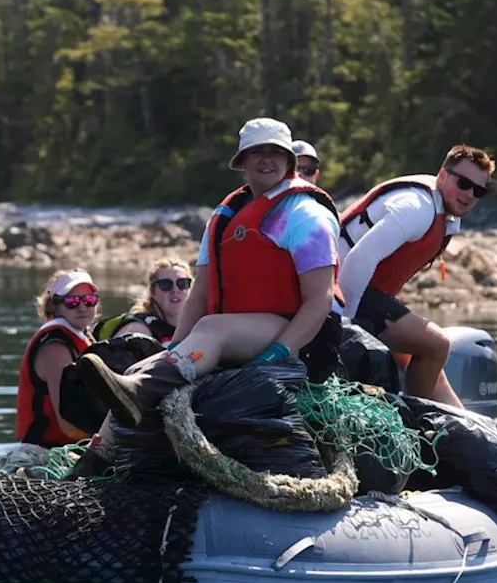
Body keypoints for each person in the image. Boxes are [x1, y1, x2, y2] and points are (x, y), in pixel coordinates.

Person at [77, 117, 342, 430]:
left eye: (276, 152)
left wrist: (279, 353)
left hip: (301, 340)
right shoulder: (225, 216)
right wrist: (172, 349)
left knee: (211, 328)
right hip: (239, 333)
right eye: (257, 152)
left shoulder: (306, 215)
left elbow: (319, 301)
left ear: (289, 161)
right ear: (242, 161)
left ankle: (141, 388)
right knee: (141, 371)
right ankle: (95, 458)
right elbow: (200, 293)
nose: (266, 159)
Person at [335, 144, 494, 407]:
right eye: (463, 183)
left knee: (433, 366)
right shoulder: (416, 209)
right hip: (343, 289)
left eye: (479, 190)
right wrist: (343, 324)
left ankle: (476, 433)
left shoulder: (446, 212)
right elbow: (359, 258)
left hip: (368, 293)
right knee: (437, 345)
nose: (469, 194)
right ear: (442, 176)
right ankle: (418, 426)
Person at [15, 269, 100, 447]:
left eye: (89, 300)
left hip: (77, 443)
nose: (83, 307)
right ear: (54, 306)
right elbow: (67, 425)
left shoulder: (83, 336)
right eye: (72, 302)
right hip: (50, 448)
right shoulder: (55, 348)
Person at [96, 258, 192, 344]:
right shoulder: (138, 328)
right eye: (165, 284)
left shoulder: (197, 326)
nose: (175, 290)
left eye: (182, 283)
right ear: (152, 291)